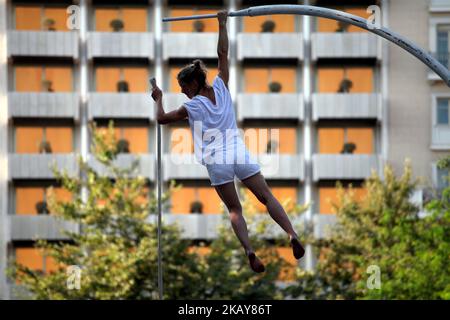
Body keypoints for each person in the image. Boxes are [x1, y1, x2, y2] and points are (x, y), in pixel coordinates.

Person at [151, 10, 304, 273]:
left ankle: (249, 250)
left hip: (217, 161)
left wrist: (158, 98)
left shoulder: (192, 107)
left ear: (193, 83)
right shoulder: (222, 85)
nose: (181, 90)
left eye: (182, 86)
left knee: (235, 208)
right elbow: (223, 54)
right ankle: (291, 233)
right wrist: (222, 23)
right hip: (238, 152)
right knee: (266, 196)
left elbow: (162, 119)